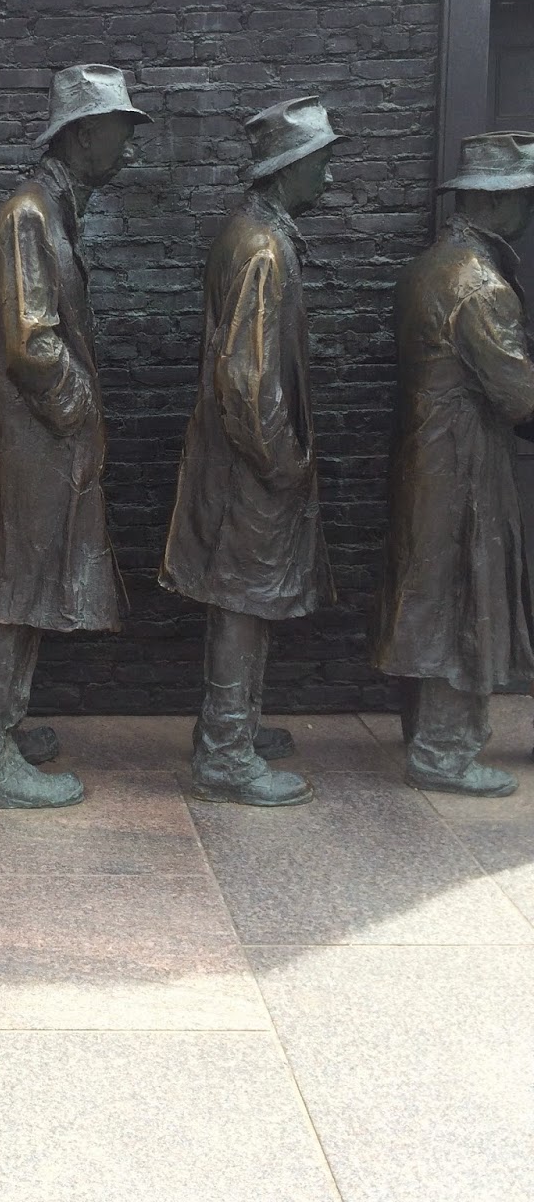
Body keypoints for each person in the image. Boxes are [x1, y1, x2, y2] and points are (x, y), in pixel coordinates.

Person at [0, 64, 151, 808]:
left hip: (45, 445)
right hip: (34, 447)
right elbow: (31, 343)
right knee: (14, 595)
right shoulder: (30, 216)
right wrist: (81, 414)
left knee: (31, 592)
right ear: (82, 135)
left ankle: (2, 728)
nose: (127, 149)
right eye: (119, 133)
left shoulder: (51, 212)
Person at [160, 96, 343, 807]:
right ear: (290, 168)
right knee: (243, 599)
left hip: (241, 457)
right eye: (321, 163)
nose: (328, 178)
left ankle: (230, 728)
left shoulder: (252, 233)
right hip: (252, 463)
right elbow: (247, 376)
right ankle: (225, 754)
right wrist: (283, 461)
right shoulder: (263, 248)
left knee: (246, 597)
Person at [373, 132, 534, 796]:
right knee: (463, 593)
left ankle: (424, 733)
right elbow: (517, 393)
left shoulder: (426, 267)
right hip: (464, 461)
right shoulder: (480, 284)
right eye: (523, 196)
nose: (528, 210)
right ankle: (443, 753)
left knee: (429, 590)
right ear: (492, 201)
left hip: (425, 454)